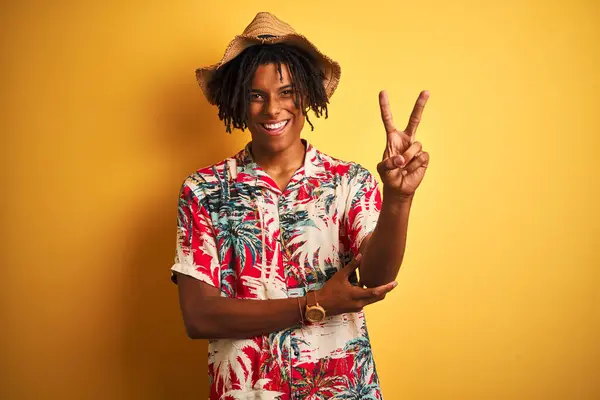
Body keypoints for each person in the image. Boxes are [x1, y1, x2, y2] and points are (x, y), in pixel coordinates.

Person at [171, 12, 430, 400]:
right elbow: (199, 316)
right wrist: (314, 304)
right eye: (255, 95)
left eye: (287, 92)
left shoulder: (348, 182)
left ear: (306, 94)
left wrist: (399, 198)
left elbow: (376, 278)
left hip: (342, 389)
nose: (272, 109)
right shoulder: (203, 190)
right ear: (237, 101)